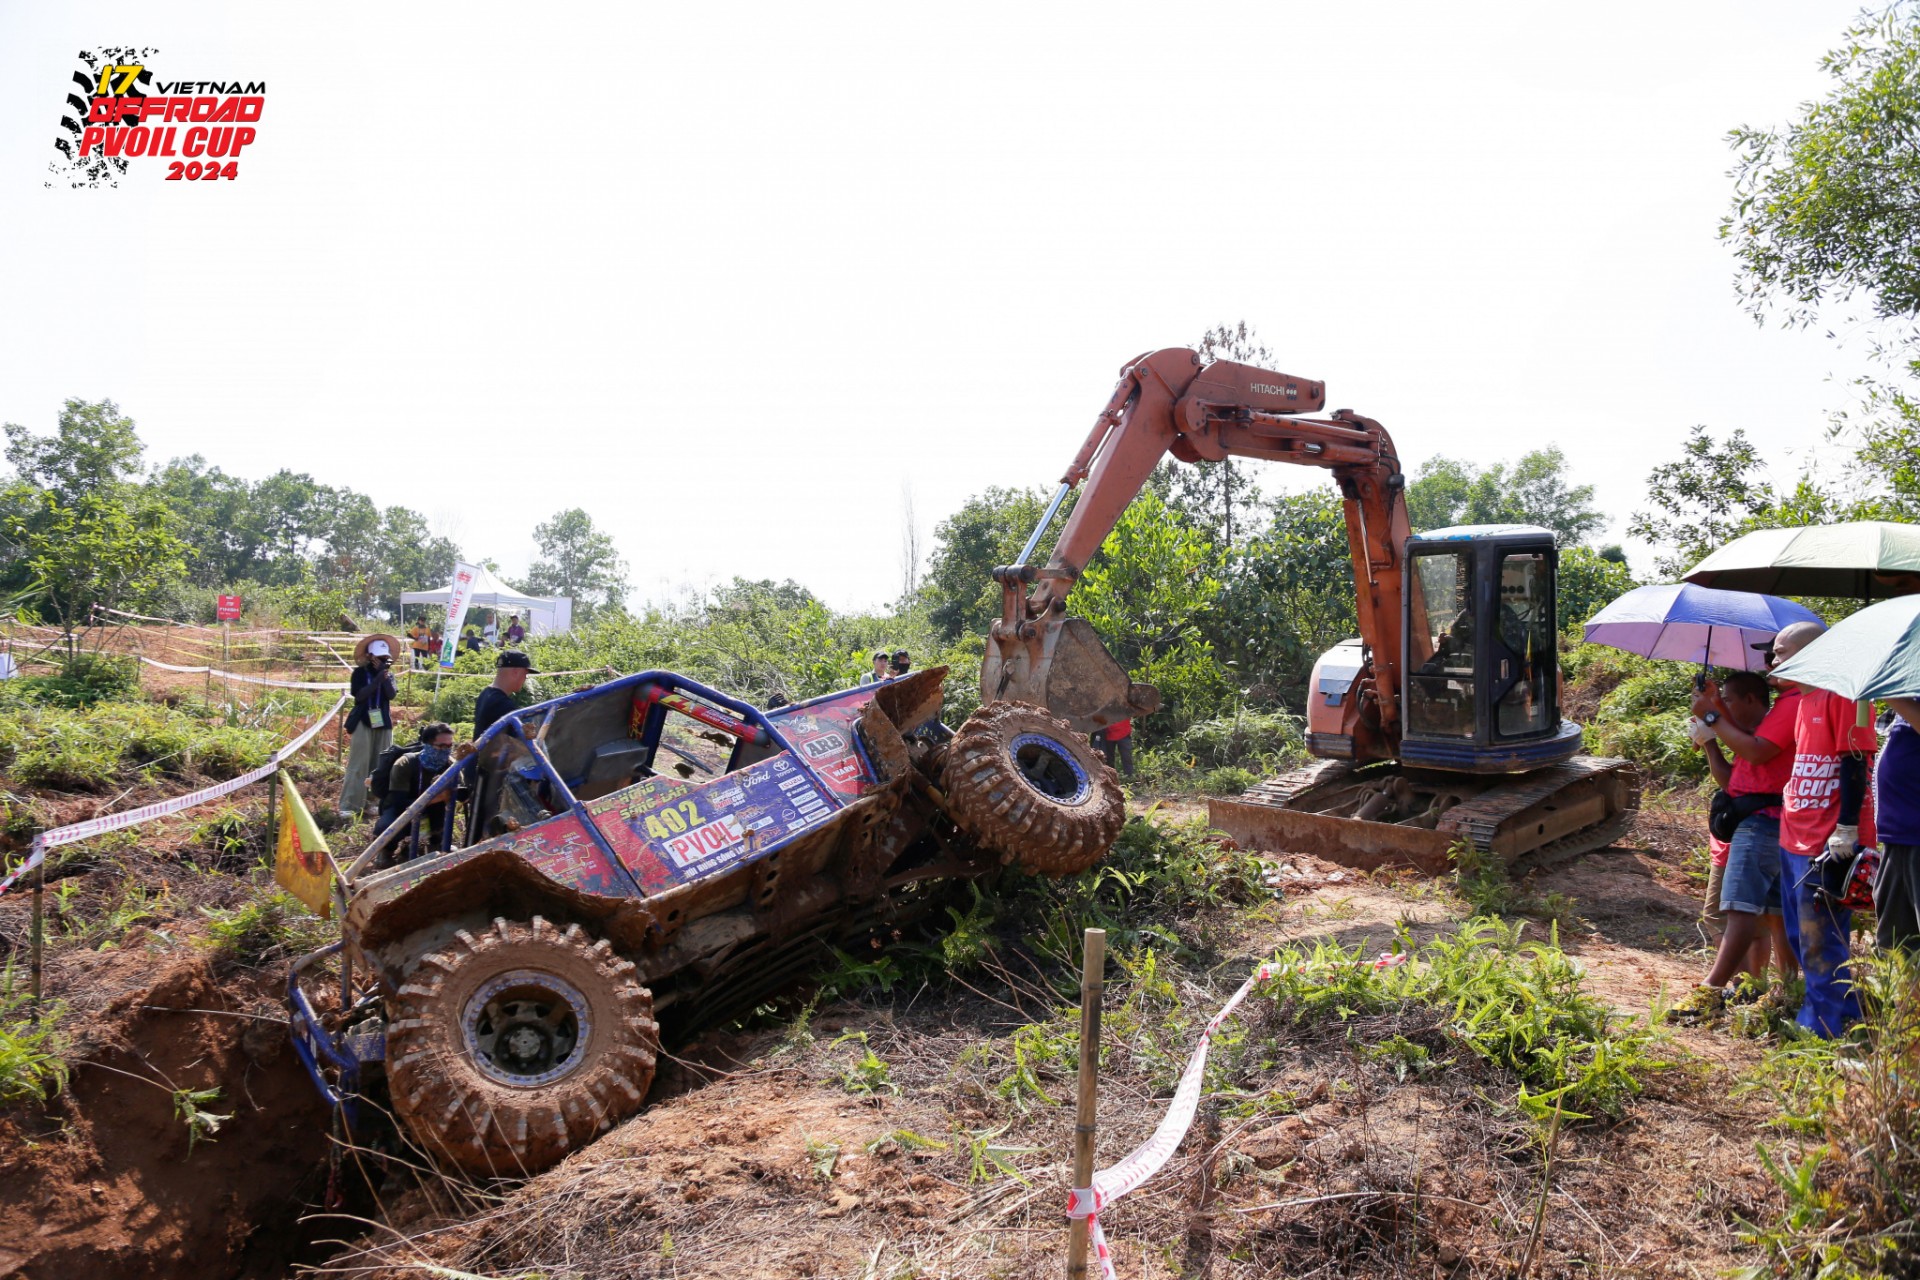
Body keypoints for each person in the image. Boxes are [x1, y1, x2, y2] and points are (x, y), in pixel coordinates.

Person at [1773, 620, 1877, 1037]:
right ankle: (1842, 1012)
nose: (1774, 661)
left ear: (1814, 651)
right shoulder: (1805, 699)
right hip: (1794, 834)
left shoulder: (1845, 696)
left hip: (1826, 840)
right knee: (1799, 934)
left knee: (1822, 938)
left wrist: (1848, 827)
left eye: (1782, 652)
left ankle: (1826, 1026)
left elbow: (1856, 760)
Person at [1677, 669, 1796, 1019]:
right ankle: (1787, 992)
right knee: (1775, 914)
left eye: (1729, 700)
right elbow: (1734, 781)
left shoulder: (1774, 723)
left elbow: (1756, 757)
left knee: (1739, 910)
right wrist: (1711, 733)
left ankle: (1711, 991)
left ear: (1750, 700)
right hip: (1768, 823)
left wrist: (1712, 716)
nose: (1724, 707)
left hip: (1762, 824)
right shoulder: (1752, 734)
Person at [1875, 697, 1920, 955]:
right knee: (1894, 945)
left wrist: (1890, 692)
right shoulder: (1908, 698)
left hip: (1916, 834)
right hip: (1896, 836)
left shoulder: (1903, 697)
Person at [380, 721, 461, 862]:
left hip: (434, 812)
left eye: (450, 746)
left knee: (443, 811)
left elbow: (461, 793)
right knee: (388, 823)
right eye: (441, 746)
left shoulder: (451, 766)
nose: (446, 751)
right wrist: (436, 797)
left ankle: (437, 843)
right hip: (403, 808)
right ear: (427, 745)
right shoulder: (405, 763)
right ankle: (386, 849)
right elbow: (399, 801)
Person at [342, 636, 398, 818]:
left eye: (385, 658)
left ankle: (373, 801)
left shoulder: (389, 675)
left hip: (383, 723)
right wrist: (375, 681)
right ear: (370, 656)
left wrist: (383, 677)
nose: (382, 661)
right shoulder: (359, 673)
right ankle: (350, 805)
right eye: (379, 657)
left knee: (380, 765)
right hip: (363, 721)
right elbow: (359, 696)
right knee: (359, 764)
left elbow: (391, 695)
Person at [474, 649, 538, 738]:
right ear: (515, 673)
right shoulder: (503, 704)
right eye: (525, 674)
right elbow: (519, 741)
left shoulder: (485, 694)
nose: (525, 679)